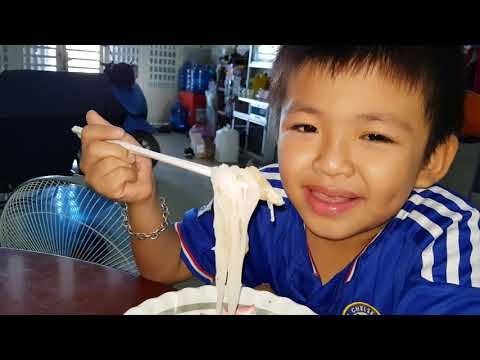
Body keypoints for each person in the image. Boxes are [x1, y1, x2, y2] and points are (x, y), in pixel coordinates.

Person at [79, 46, 480, 315]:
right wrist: (141, 198)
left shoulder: (448, 241)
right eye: (306, 127)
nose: (331, 163)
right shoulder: (260, 198)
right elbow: (164, 266)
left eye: (375, 136)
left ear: (432, 158)